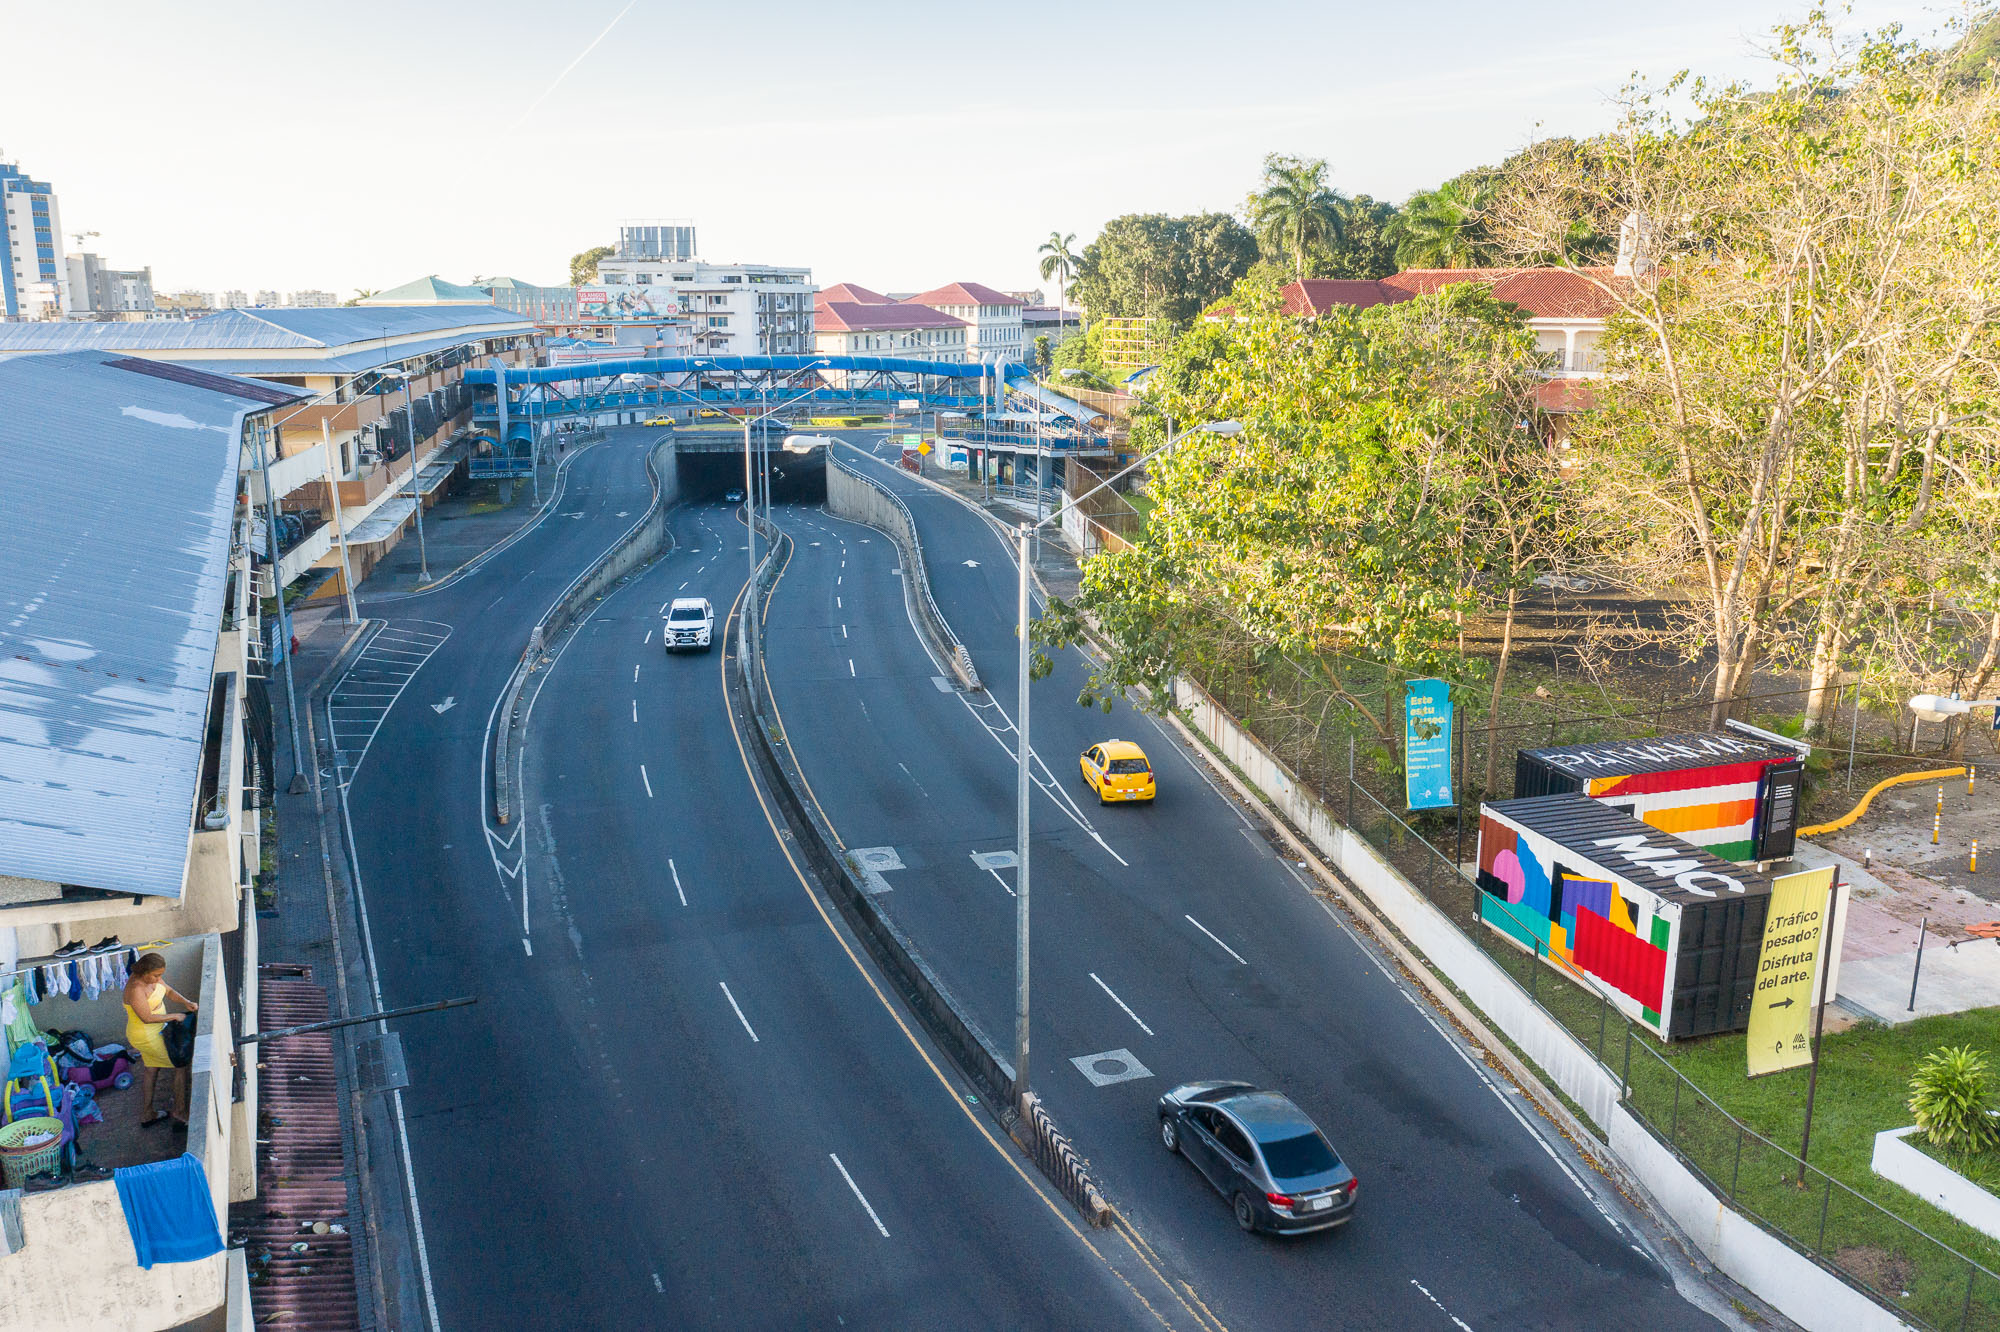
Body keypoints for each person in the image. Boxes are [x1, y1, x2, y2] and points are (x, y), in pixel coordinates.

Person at [122, 953, 196, 1128]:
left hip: (156, 1030)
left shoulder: (151, 980)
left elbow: (168, 991)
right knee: (180, 1065)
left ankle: (147, 1114)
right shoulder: (136, 989)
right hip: (146, 1034)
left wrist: (185, 1002)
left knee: (151, 1070)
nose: (159, 979)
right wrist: (175, 1016)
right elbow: (146, 1018)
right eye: (156, 975)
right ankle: (179, 1112)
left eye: (160, 975)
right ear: (144, 971)